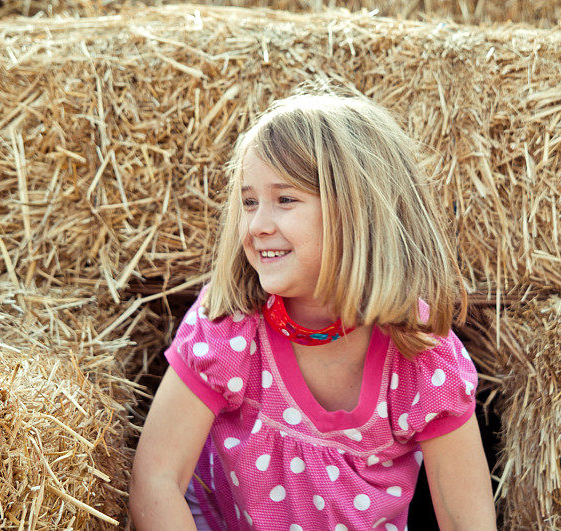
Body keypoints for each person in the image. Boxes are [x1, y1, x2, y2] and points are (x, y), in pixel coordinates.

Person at [129, 87, 496, 530]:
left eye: (285, 200)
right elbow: (156, 479)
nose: (258, 225)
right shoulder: (229, 328)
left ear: (356, 212)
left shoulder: (422, 357)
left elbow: (465, 521)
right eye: (249, 202)